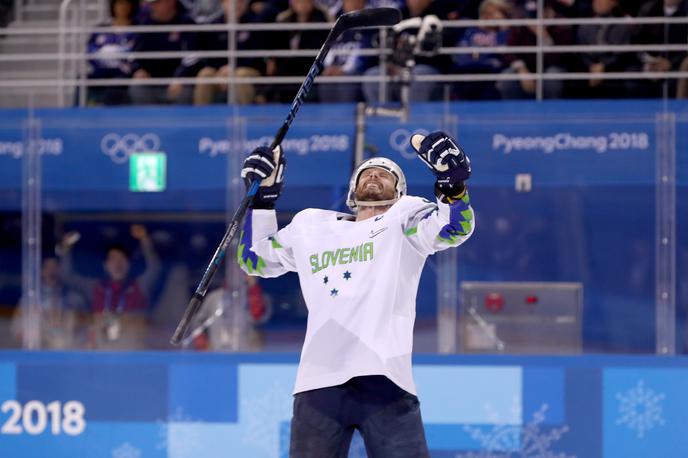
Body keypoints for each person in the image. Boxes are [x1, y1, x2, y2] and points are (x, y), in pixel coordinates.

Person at [237, 130, 475, 456]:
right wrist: (261, 200)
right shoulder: (312, 227)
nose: (375, 174)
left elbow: (454, 228)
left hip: (386, 378)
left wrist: (452, 186)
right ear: (352, 189)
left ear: (399, 191)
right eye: (368, 172)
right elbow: (255, 258)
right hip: (318, 381)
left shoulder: (404, 219)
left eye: (386, 174)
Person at [60, 225, 161, 349]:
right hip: (102, 352)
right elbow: (67, 275)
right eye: (113, 259)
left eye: (122, 259)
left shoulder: (140, 286)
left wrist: (145, 240)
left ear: (128, 265)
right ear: (105, 265)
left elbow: (155, 268)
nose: (118, 263)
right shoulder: (95, 287)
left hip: (131, 353)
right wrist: (65, 248)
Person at [192, 0, 267, 105]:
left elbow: (257, 57)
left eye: (240, 2)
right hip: (221, 71)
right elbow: (209, 57)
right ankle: (202, 116)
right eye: (232, 2)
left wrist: (233, 67)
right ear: (223, 4)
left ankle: (246, 117)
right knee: (205, 74)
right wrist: (221, 70)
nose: (237, 5)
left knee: (240, 76)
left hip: (248, 70)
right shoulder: (214, 26)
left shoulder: (255, 23)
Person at [129, 0, 197, 105]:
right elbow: (133, 54)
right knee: (137, 86)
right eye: (152, 3)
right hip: (151, 81)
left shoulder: (186, 23)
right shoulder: (144, 25)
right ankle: (147, 120)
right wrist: (138, 69)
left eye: (157, 2)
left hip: (177, 81)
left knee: (185, 91)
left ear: (171, 2)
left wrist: (180, 77)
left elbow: (192, 56)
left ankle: (182, 120)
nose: (153, 6)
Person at [12, 256, 86, 349]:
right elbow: (17, 330)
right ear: (41, 271)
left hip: (66, 351)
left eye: (55, 267)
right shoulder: (30, 299)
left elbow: (84, 330)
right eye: (48, 267)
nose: (52, 271)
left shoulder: (74, 298)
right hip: (39, 351)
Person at [86, 0, 139, 105]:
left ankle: (110, 119)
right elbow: (90, 51)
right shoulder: (101, 29)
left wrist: (119, 63)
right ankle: (78, 115)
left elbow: (136, 54)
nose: (123, 7)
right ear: (113, 6)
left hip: (124, 74)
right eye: (119, 3)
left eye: (126, 3)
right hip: (101, 71)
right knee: (82, 80)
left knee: (115, 86)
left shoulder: (138, 29)